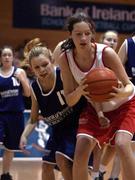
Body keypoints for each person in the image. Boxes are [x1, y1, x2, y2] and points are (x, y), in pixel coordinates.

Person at [58, 12, 135, 180]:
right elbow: (70, 100)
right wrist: (81, 90)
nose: (84, 38)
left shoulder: (106, 53)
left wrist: (120, 92)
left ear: (92, 33)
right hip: (95, 107)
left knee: (122, 144)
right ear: (70, 35)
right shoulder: (66, 58)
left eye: (87, 33)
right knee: (80, 152)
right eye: (78, 34)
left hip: (124, 105)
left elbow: (130, 86)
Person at [19, 38, 87, 180]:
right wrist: (24, 135)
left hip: (77, 127)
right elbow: (33, 119)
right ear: (31, 69)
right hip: (58, 131)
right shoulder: (35, 87)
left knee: (61, 159)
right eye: (37, 68)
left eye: (45, 65)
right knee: (46, 166)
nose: (42, 70)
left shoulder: (64, 74)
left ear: (52, 61)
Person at [0, 45, 30, 180]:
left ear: (13, 58)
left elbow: (28, 93)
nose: (6, 57)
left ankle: (5, 174)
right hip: (1, 114)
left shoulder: (20, 72)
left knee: (10, 148)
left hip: (16, 115)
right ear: (0, 58)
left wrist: (23, 80)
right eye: (4, 55)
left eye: (9, 55)